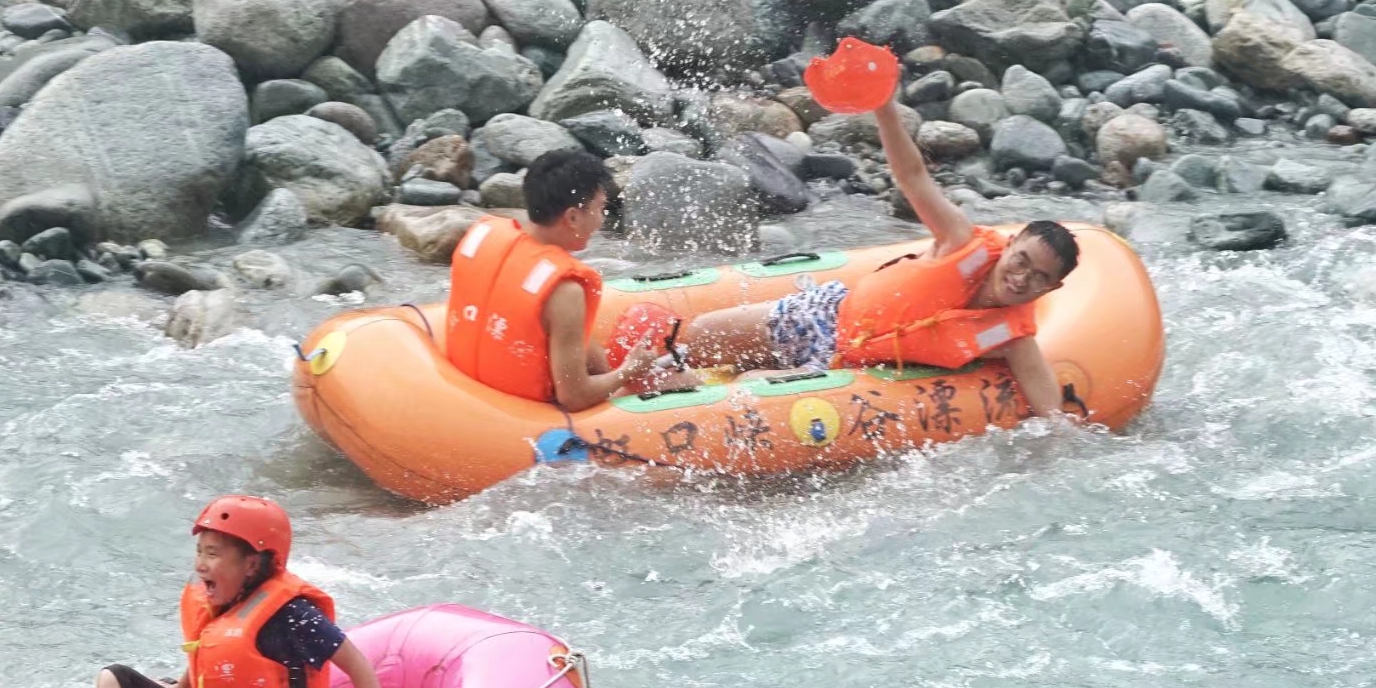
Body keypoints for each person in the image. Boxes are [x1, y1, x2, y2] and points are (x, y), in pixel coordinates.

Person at [679, 88, 1083, 418]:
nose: (1021, 278)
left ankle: (677, 394)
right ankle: (670, 371)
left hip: (853, 369)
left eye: (1039, 277)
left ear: (1052, 288)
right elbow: (913, 177)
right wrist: (885, 109)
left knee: (746, 391)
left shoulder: (1015, 341)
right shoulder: (960, 241)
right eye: (1021, 261)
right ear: (1010, 245)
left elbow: (1052, 416)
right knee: (701, 335)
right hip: (829, 313)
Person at [94, 495, 397, 688]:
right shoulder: (224, 599)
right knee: (114, 678)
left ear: (251, 565)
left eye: (212, 554)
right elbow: (208, 652)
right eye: (199, 551)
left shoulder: (292, 614)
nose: (200, 564)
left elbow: (357, 665)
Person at [446, 149, 685, 410]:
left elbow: (554, 331)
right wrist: (628, 370)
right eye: (600, 208)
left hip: (470, 384)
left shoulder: (484, 236)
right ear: (572, 217)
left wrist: (608, 370)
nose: (601, 220)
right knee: (680, 381)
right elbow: (574, 397)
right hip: (532, 414)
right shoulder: (564, 291)